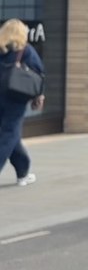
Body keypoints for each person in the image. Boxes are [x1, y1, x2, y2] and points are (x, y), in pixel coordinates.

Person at [0, 19, 43, 187]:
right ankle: (22, 173)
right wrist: (39, 96)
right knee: (9, 134)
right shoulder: (25, 51)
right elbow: (38, 74)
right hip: (15, 98)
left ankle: (22, 172)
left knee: (12, 136)